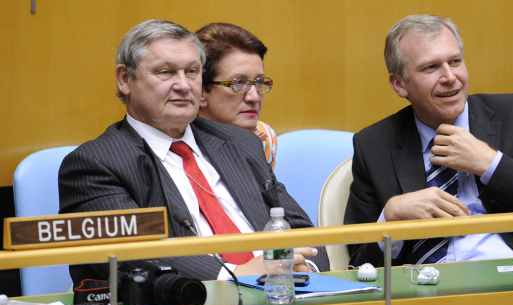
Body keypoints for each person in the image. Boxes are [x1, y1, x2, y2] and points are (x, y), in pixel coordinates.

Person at [59, 19, 329, 286]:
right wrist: (237, 276)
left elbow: (298, 227)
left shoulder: (240, 143)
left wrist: (305, 266)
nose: (184, 85)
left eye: (192, 72)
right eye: (165, 72)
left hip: (285, 292)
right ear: (125, 79)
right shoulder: (95, 164)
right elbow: (138, 254)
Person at [344, 14, 513, 267]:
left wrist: (491, 164)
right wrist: (390, 217)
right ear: (399, 85)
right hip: (423, 292)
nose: (450, 76)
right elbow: (359, 263)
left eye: (455, 61)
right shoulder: (374, 145)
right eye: (431, 67)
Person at [196, 23, 278, 169]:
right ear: (201, 90)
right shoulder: (177, 149)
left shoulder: (263, 137)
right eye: (238, 83)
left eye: (259, 82)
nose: (254, 97)